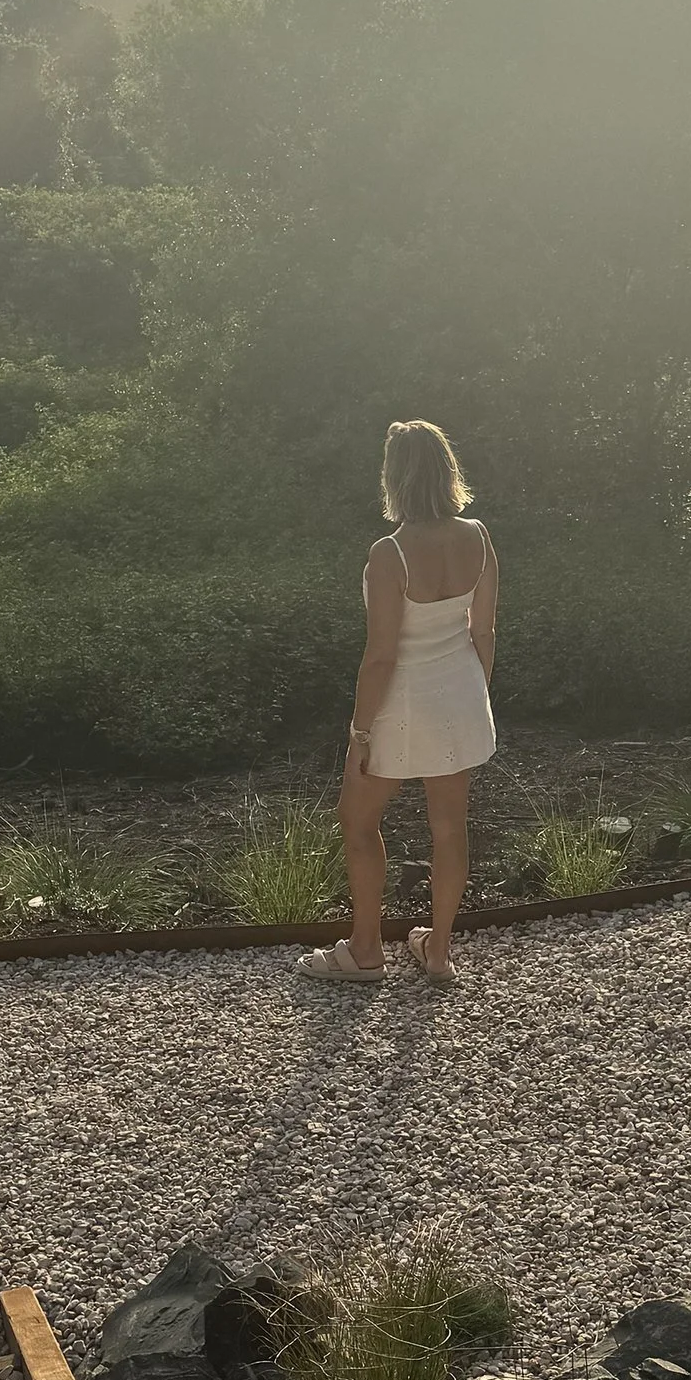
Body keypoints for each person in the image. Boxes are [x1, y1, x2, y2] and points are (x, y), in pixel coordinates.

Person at [301, 419, 498, 984]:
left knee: (357, 820)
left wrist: (361, 730)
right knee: (449, 828)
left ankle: (366, 950)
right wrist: (474, 694)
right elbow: (483, 631)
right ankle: (438, 952)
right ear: (446, 471)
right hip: (460, 696)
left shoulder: (390, 553)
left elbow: (381, 656)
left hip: (400, 704)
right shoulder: (478, 536)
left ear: (395, 478)